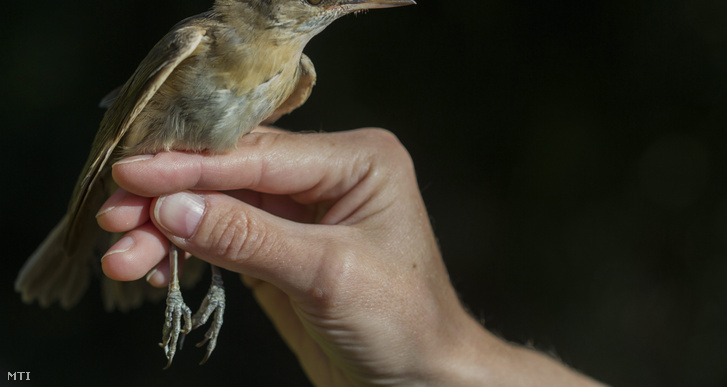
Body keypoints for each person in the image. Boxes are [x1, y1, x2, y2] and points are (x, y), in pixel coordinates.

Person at [98, 127, 604, 386]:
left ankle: (208, 286)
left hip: (177, 202)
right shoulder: (205, 38)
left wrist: (438, 361)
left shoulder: (294, 74)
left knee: (212, 203)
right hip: (153, 177)